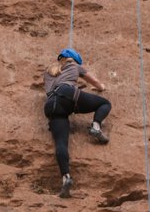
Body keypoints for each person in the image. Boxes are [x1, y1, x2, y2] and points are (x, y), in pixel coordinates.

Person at [43, 48, 111, 198]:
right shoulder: (74, 65)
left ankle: (66, 177)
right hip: (68, 94)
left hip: (50, 105)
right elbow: (96, 82)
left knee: (61, 143)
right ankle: (96, 127)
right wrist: (100, 88)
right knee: (104, 104)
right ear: (73, 58)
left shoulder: (48, 71)